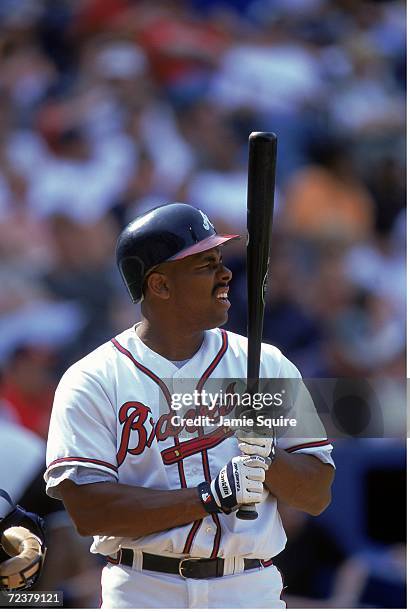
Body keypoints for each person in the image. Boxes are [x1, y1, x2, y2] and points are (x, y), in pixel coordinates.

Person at [44, 203, 335, 609]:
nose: (226, 274)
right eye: (205, 265)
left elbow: (317, 493)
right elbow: (89, 510)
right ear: (160, 285)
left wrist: (269, 459)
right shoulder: (93, 378)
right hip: (144, 588)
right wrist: (208, 497)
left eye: (220, 260)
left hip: (248, 588)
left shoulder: (265, 364)